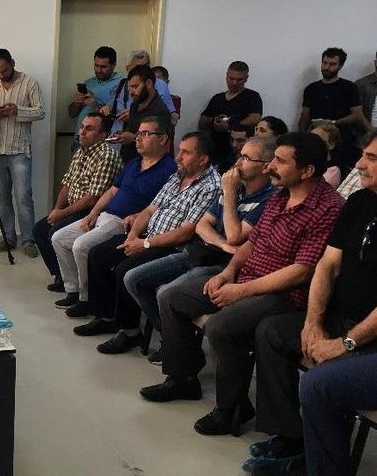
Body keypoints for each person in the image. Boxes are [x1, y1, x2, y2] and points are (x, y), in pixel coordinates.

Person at [139, 132, 345, 439]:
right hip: (246, 277)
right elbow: (252, 242)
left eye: (280, 161)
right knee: (172, 297)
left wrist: (241, 291)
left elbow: (302, 272)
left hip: (285, 294)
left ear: (307, 171)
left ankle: (231, 408)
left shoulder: (328, 208)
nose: (270, 166)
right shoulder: (280, 196)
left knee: (222, 326)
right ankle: (183, 379)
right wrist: (228, 273)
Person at [244, 131, 377, 474]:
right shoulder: (360, 202)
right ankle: (290, 438)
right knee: (272, 332)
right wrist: (313, 322)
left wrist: (345, 343)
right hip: (340, 318)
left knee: (320, 384)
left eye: (372, 158)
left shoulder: (330, 204)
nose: (360, 164)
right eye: (364, 154)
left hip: (369, 337)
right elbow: (327, 265)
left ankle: (320, 464)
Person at [123, 136, 276, 364]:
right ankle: (174, 340)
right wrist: (222, 243)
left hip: (222, 264)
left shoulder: (267, 198)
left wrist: (229, 195)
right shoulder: (236, 187)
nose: (237, 163)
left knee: (166, 294)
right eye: (239, 155)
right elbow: (203, 226)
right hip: (200, 252)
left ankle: (179, 353)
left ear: (265, 166)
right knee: (132, 278)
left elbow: (235, 235)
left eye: (246, 158)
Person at [76, 132, 220, 355]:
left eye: (186, 152)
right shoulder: (178, 176)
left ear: (203, 160)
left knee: (125, 270)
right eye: (179, 150)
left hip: (173, 247)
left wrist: (145, 244)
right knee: (98, 254)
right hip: (147, 237)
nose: (178, 157)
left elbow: (186, 232)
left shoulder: (211, 186)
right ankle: (106, 317)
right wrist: (134, 236)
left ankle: (131, 332)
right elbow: (150, 210)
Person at [51, 117, 176, 317]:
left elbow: (162, 206)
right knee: (59, 238)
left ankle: (86, 299)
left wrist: (137, 215)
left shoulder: (169, 170)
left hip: (122, 222)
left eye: (145, 134)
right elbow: (111, 191)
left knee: (81, 246)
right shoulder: (133, 163)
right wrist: (93, 213)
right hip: (104, 215)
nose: (138, 138)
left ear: (163, 139)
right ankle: (73, 289)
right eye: (138, 133)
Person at [34, 113, 121, 292]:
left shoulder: (106, 156)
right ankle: (61, 275)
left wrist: (62, 214)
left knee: (54, 232)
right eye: (82, 127)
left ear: (103, 135)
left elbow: (93, 198)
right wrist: (56, 210)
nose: (82, 132)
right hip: (73, 207)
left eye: (89, 129)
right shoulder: (81, 152)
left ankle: (74, 285)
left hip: (91, 211)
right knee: (40, 229)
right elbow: (67, 184)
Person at [0, 48, 46, 257]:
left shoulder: (30, 83)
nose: (1, 75)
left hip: (19, 150)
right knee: (2, 198)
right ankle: (8, 238)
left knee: (23, 197)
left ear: (13, 63)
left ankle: (28, 239)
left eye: (5, 70)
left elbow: (41, 111)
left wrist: (17, 110)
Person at [297, 47, 364, 170]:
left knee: (338, 171)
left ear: (340, 66)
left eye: (332, 64)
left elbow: (357, 115)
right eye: (324, 63)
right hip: (316, 139)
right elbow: (305, 116)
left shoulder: (349, 87)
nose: (327, 67)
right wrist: (301, 137)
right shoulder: (311, 88)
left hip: (342, 139)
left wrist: (333, 123)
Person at [199, 61, 263, 171]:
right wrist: (214, 120)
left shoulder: (252, 97)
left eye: (239, 80)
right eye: (231, 78)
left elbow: (255, 118)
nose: (234, 83)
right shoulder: (217, 98)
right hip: (214, 149)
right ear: (226, 76)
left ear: (246, 78)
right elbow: (202, 121)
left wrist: (230, 125)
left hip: (238, 151)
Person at [104, 49, 178, 138]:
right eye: (138, 67)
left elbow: (170, 118)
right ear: (128, 68)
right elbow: (115, 103)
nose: (143, 70)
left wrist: (135, 115)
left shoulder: (159, 85)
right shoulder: (123, 82)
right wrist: (107, 108)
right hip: (118, 133)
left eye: (146, 66)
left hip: (146, 136)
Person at [106, 65, 172, 163]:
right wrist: (122, 135)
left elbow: (159, 146)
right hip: (128, 161)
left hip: (147, 164)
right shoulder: (137, 102)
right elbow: (133, 129)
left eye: (135, 87)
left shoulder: (160, 111)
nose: (131, 92)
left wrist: (133, 138)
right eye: (129, 88)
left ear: (148, 84)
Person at [67, 46, 123, 151]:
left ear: (114, 65)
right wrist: (77, 104)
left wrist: (96, 106)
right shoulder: (88, 83)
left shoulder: (122, 83)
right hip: (80, 141)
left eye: (103, 67)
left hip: (103, 145)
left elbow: (117, 115)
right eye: (96, 65)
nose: (99, 70)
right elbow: (72, 114)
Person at [310, 122, 343, 188]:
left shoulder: (333, 171)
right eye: (309, 139)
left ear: (331, 144)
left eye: (318, 140)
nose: (310, 143)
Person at [355, 50, 377, 130]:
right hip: (370, 134)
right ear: (375, 63)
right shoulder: (361, 85)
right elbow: (356, 115)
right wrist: (371, 132)